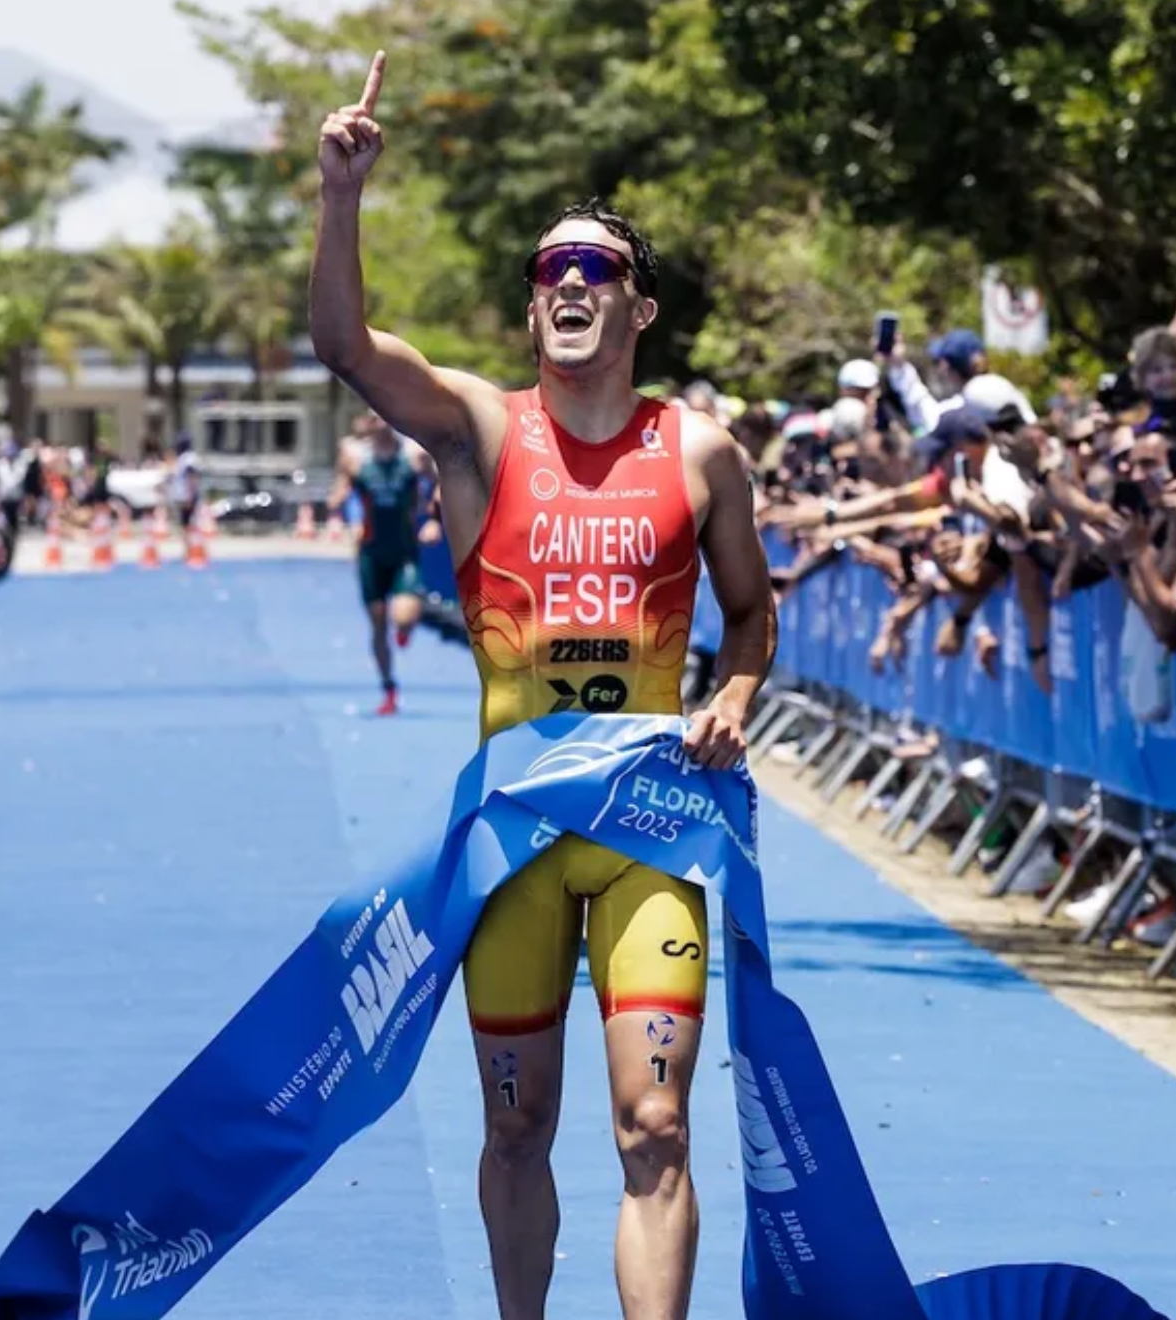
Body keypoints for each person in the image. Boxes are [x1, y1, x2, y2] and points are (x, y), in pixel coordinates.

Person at [309, 51, 775, 1320]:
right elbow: (345, 345)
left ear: (641, 309)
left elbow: (750, 615)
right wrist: (340, 195)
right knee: (518, 1131)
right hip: (512, 833)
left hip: (646, 832)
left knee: (655, 1125)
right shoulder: (478, 430)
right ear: (531, 314)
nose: (569, 285)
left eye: (597, 270)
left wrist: (734, 697)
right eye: (549, 272)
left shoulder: (702, 454)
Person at [326, 412, 436, 714]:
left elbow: (441, 485)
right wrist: (337, 512)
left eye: (386, 417)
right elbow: (340, 489)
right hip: (370, 552)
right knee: (377, 623)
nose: (381, 424)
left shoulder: (414, 455)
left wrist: (434, 520)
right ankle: (388, 687)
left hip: (404, 549)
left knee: (403, 617)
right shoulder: (354, 457)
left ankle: (404, 629)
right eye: (374, 419)